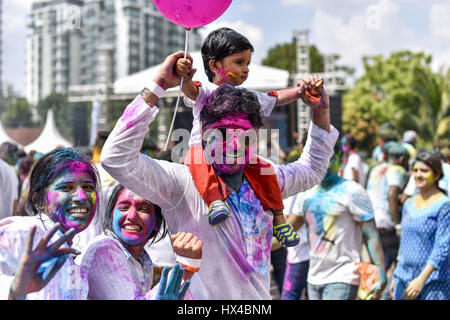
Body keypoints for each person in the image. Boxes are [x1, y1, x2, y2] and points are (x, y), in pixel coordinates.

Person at [100, 51, 338, 299]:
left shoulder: (266, 180)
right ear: (203, 135)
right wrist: (159, 84)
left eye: (244, 136)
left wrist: (321, 112)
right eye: (222, 134)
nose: (234, 145)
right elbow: (115, 158)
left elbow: (312, 169)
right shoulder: (183, 184)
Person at [174, 28, 324, 246]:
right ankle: (215, 201)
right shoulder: (205, 91)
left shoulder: (249, 98)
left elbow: (277, 97)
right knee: (196, 156)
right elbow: (189, 90)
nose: (245, 70)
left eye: (247, 64)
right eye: (239, 62)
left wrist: (301, 91)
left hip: (238, 159)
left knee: (265, 170)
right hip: (206, 154)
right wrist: (185, 76)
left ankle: (279, 220)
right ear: (215, 65)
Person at [285, 143, 386, 300]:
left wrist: (379, 269)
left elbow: (371, 235)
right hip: (314, 278)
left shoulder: (353, 192)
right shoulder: (306, 194)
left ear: (341, 159)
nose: (324, 164)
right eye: (318, 159)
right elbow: (286, 231)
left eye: (329, 159)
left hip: (343, 277)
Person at [0, 147, 100, 299]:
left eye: (88, 187)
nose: (81, 196)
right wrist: (15, 292)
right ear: (38, 199)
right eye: (66, 187)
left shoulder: (75, 267)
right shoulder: (21, 234)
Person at [79, 184, 201, 300]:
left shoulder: (143, 260)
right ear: (111, 216)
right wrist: (186, 268)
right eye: (124, 207)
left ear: (156, 223)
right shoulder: (103, 250)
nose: (131, 216)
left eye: (143, 209)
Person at [390, 151, 449, 300]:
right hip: (403, 279)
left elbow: (442, 247)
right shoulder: (408, 204)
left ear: (436, 175)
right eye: (415, 170)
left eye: (424, 171)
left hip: (432, 283)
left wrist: (421, 279)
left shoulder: (444, 206)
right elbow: (404, 242)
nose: (418, 175)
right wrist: (395, 275)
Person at [279, 193, 310, 300]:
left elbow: (286, 219)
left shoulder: (296, 185)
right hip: (307, 251)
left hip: (300, 252)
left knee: (290, 295)